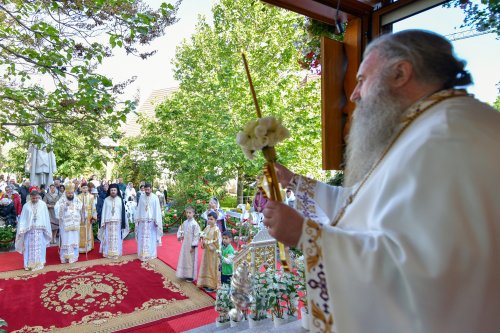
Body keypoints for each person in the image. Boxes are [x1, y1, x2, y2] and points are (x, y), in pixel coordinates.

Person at [262, 30, 500, 333]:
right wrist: (294, 181)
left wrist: (306, 236)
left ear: (400, 72)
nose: (354, 94)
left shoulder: (447, 137)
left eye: (362, 79)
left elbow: (433, 280)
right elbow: (363, 206)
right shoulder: (429, 127)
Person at [14, 190, 51, 271]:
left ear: (39, 197)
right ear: (30, 197)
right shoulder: (26, 206)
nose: (35, 199)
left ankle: (40, 262)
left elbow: (45, 217)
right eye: (33, 198)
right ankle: (28, 264)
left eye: (36, 198)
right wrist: (22, 229)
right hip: (29, 231)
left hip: (39, 231)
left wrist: (45, 228)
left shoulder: (43, 205)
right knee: (28, 247)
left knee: (40, 246)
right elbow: (23, 219)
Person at [98, 184, 128, 259]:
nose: (113, 191)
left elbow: (123, 212)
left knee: (117, 238)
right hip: (108, 223)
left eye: (114, 190)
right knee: (108, 238)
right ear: (109, 191)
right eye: (111, 190)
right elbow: (104, 212)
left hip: (118, 223)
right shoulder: (106, 200)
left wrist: (123, 223)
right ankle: (107, 252)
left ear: (117, 191)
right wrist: (103, 222)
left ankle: (116, 253)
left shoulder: (120, 200)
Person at [55, 183, 83, 264]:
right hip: (65, 225)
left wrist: (74, 206)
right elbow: (57, 208)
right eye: (69, 193)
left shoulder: (76, 199)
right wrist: (64, 206)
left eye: (71, 193)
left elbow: (80, 206)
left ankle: (73, 257)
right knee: (66, 240)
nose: (70, 194)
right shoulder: (62, 200)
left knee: (74, 240)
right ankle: (64, 257)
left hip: (75, 225)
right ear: (66, 193)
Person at [134, 183, 163, 261]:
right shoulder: (141, 197)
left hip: (151, 222)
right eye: (145, 189)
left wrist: (157, 221)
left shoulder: (155, 198)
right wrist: (138, 220)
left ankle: (151, 254)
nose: (147, 191)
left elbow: (157, 210)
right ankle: (142, 254)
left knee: (151, 238)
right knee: (142, 238)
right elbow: (139, 209)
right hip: (143, 222)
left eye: (148, 189)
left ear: (151, 189)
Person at [197, 211, 221, 292]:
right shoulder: (207, 227)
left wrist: (207, 243)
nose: (209, 221)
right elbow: (203, 235)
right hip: (207, 251)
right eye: (208, 219)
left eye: (211, 219)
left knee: (211, 267)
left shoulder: (216, 230)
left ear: (215, 220)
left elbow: (216, 241)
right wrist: (202, 239)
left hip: (213, 252)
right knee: (206, 266)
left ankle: (212, 285)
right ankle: (205, 282)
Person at [176, 206, 201, 282]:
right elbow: (181, 230)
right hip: (185, 244)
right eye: (187, 212)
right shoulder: (185, 222)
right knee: (185, 258)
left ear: (193, 213)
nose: (188, 214)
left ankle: (190, 276)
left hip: (191, 245)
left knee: (190, 260)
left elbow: (197, 235)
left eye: (190, 213)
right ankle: (184, 273)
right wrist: (180, 236)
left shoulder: (195, 224)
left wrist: (193, 246)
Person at [78, 182, 97, 253]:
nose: (85, 189)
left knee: (88, 231)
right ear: (81, 189)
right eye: (83, 188)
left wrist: (94, 217)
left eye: (86, 188)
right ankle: (81, 248)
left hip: (89, 216)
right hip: (81, 216)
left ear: (88, 188)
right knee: (81, 231)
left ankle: (88, 246)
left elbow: (93, 207)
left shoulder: (91, 196)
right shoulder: (78, 197)